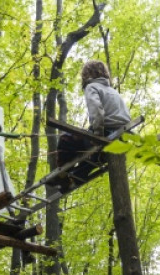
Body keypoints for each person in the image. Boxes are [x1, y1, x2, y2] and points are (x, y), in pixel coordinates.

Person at [53, 60, 131, 193]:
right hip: (121, 137)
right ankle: (76, 177)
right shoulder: (113, 91)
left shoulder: (92, 87)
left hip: (106, 133)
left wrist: (97, 134)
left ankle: (63, 173)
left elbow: (97, 111)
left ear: (86, 74)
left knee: (65, 139)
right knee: (92, 157)